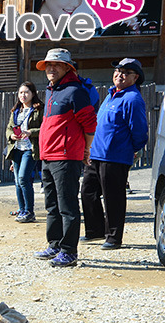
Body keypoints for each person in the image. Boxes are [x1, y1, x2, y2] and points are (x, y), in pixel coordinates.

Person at [33, 48, 96, 268]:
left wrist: (86, 150)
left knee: (67, 206)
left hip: (66, 157)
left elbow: (90, 124)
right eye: (48, 65)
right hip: (48, 156)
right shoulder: (52, 90)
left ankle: (69, 251)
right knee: (51, 205)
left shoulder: (75, 91)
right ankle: (55, 244)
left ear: (67, 67)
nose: (50, 68)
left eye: (56, 65)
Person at [82, 58, 148, 250]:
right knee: (87, 191)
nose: (120, 74)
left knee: (114, 198)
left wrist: (131, 150)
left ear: (135, 78)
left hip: (115, 156)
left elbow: (139, 131)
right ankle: (95, 230)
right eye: (118, 71)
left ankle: (113, 237)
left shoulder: (132, 99)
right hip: (97, 154)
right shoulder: (111, 94)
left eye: (126, 72)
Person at [4, 81, 42, 223]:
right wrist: (11, 135)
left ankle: (29, 212)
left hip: (30, 149)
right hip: (16, 148)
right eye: (21, 92)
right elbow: (9, 128)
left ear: (33, 93)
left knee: (23, 179)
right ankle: (22, 209)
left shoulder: (39, 109)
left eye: (26, 92)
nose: (23, 95)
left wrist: (30, 132)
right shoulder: (16, 111)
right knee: (17, 181)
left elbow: (45, 128)